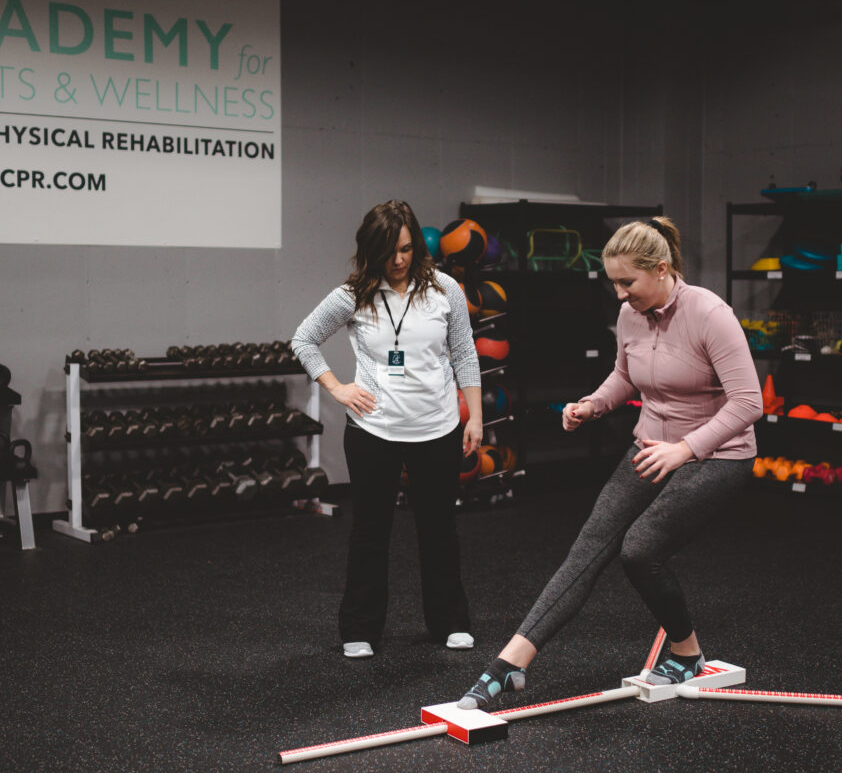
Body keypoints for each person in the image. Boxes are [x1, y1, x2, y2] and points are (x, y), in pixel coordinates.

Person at [457, 216, 762, 708]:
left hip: (717, 455)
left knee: (640, 549)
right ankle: (508, 665)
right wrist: (592, 405)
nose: (619, 294)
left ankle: (685, 654)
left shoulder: (710, 314)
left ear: (661, 269)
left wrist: (685, 449)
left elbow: (749, 404)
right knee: (587, 549)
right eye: (613, 283)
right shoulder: (629, 316)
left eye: (627, 282)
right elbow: (624, 375)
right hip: (650, 449)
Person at [292, 200, 484, 658]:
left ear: (416, 244)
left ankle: (449, 622)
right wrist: (336, 387)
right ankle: (359, 628)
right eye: (387, 252)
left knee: (439, 529)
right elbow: (304, 339)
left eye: (404, 249)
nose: (397, 260)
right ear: (370, 251)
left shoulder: (445, 289)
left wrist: (474, 415)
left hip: (436, 428)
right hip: (373, 429)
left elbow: (465, 353)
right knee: (370, 530)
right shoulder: (353, 294)